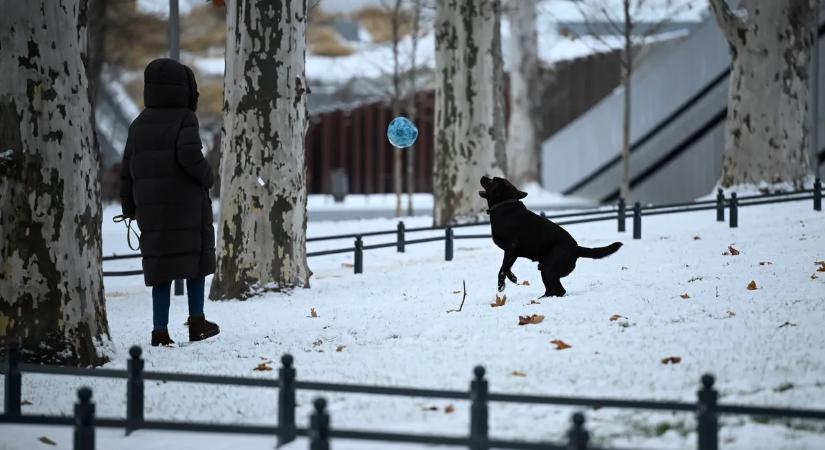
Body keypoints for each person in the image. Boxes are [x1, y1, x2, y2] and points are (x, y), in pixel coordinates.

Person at [120, 58, 220, 346]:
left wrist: (130, 209)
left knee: (160, 270)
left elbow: (127, 170)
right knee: (195, 265)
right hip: (187, 208)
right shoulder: (185, 119)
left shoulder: (138, 124)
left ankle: (159, 331)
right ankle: (197, 322)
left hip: (151, 212)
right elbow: (190, 157)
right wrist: (207, 177)